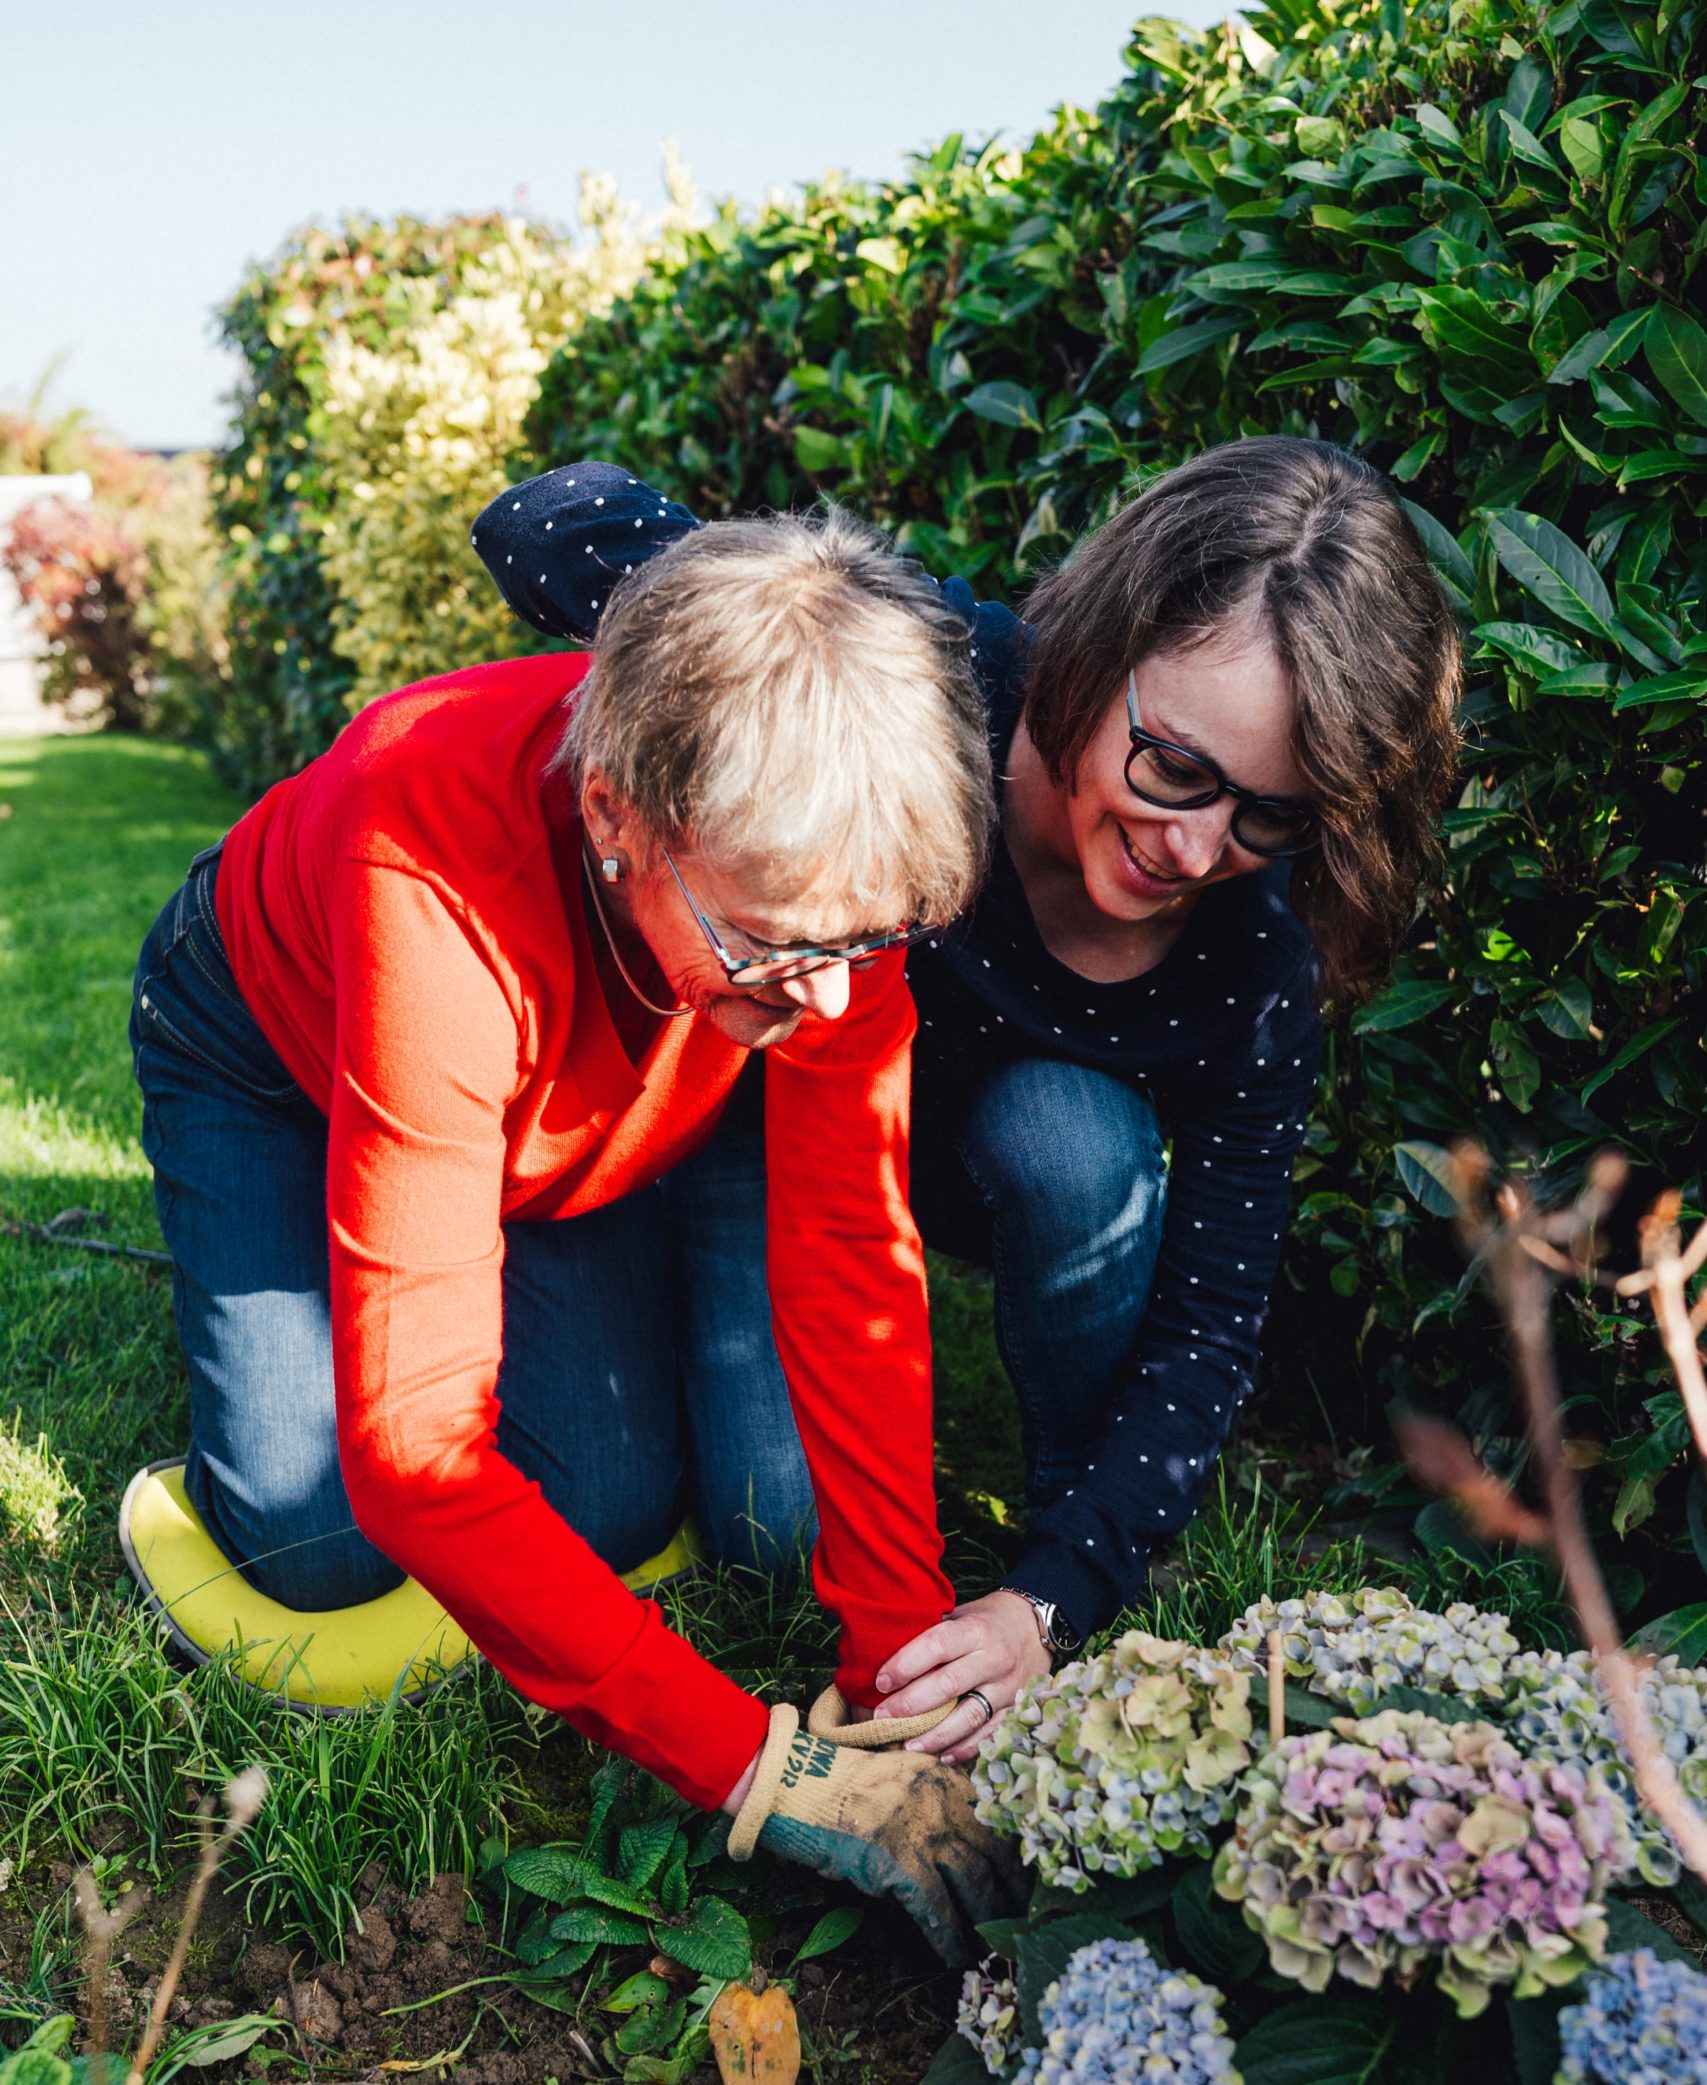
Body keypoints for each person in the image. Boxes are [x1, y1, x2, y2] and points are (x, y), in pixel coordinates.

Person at [475, 437, 1462, 1758]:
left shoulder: (1256, 957)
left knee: (1076, 1140)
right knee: (773, 1529)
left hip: (992, 1165)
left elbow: (1213, 1326)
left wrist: (1051, 1599)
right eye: (1174, 766)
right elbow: (534, 518)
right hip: (785, 1136)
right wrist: (730, 614)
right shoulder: (926, 683)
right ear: (1102, 647)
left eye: (1272, 817)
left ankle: (1055, 1503)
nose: (1197, 847)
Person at [126, 506, 1021, 1959]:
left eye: (877, 946)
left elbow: (854, 1263)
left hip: (551, 1112)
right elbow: (421, 1461)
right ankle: (271, 1249)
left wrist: (896, 1666)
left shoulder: (818, 913)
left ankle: (491, 1218)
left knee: (604, 1507)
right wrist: (767, 1774)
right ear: (615, 814)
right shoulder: (420, 852)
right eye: (787, 947)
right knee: (315, 1541)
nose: (844, 1007)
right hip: (270, 1057)